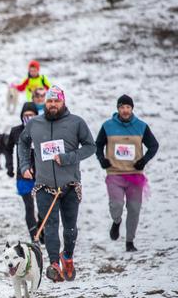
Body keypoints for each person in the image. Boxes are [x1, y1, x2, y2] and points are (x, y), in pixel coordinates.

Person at [18, 86, 95, 282]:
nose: (53, 105)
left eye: (56, 101)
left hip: (69, 185)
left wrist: (68, 157)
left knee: (70, 228)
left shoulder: (76, 122)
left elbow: (90, 146)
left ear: (63, 102)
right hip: (44, 186)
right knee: (50, 226)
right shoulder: (35, 123)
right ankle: (54, 264)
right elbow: (23, 142)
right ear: (45, 103)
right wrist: (25, 165)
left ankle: (67, 256)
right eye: (50, 101)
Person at [95, 95, 159, 252]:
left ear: (132, 109)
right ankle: (116, 222)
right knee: (116, 205)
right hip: (114, 174)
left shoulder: (141, 126)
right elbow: (98, 145)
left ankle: (130, 241)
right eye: (122, 107)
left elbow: (153, 145)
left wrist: (143, 161)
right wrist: (102, 160)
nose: (125, 110)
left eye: (128, 107)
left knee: (134, 209)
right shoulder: (108, 126)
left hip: (134, 176)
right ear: (118, 109)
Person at [7, 102, 41, 242]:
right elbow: (8, 149)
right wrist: (10, 167)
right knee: (29, 206)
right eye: (26, 115)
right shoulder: (16, 131)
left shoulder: (42, 130)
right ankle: (34, 237)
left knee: (43, 206)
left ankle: (41, 228)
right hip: (22, 175)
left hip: (41, 174)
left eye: (31, 115)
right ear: (21, 116)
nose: (28, 118)